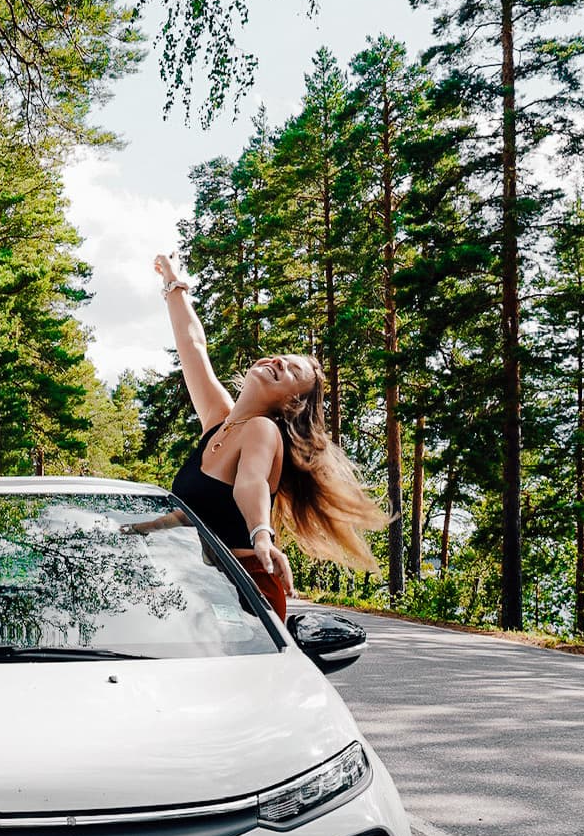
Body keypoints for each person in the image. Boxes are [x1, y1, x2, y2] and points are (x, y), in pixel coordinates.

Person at [122, 253, 387, 621]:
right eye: (280, 357)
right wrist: (172, 282)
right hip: (202, 588)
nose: (278, 361)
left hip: (246, 590)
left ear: (292, 402)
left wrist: (262, 534)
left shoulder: (263, 430)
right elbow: (193, 347)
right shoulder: (219, 421)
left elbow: (251, 483)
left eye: (291, 371)